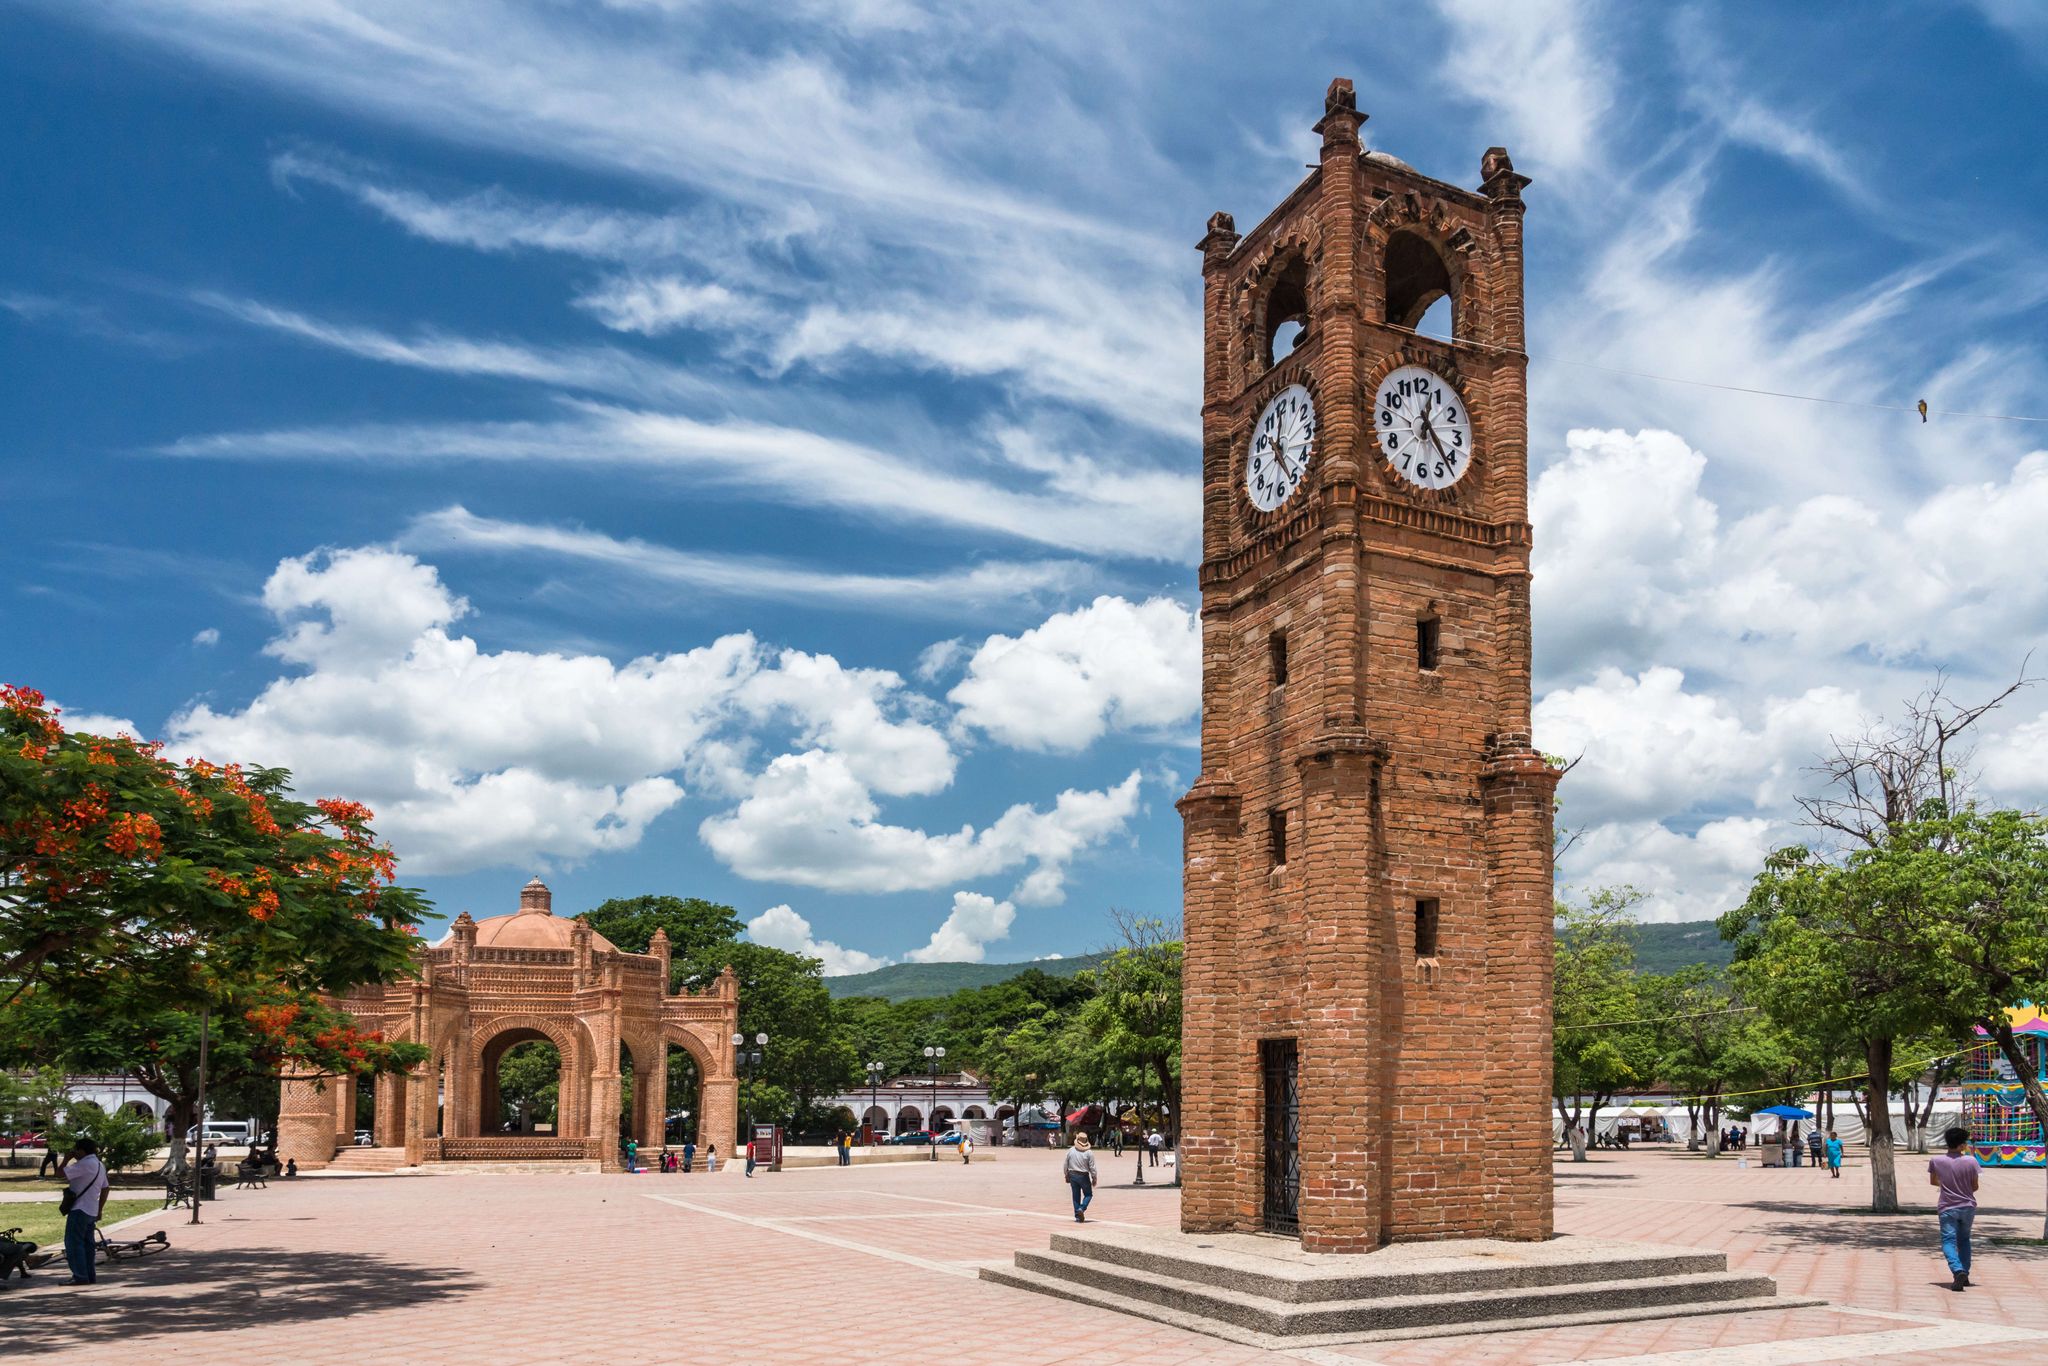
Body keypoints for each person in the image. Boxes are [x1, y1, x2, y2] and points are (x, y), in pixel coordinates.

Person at [54, 1137, 109, 1287]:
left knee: (73, 1243)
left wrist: (66, 1159)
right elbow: (105, 1188)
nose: (74, 1152)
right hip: (91, 1210)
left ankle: (79, 1276)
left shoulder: (84, 1164)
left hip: (79, 1209)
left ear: (81, 1150)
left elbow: (59, 1174)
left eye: (76, 1150)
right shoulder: (99, 1165)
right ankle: (89, 1275)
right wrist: (100, 1209)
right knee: (88, 1245)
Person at [1930, 1125, 1980, 1290]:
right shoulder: (1971, 1161)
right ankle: (1964, 1272)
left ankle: (1957, 1270)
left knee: (1948, 1241)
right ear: (1961, 1145)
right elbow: (1975, 1186)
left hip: (1947, 1207)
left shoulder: (1936, 1161)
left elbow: (1933, 1181)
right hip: (1967, 1206)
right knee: (1964, 1240)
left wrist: (1946, 1185)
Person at [1065, 1133, 1099, 1222]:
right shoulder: (1089, 1152)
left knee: (1076, 1196)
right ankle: (1082, 1208)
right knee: (1088, 1194)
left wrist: (1066, 1174)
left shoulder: (1071, 1150)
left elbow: (1065, 1164)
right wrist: (1094, 1177)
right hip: (1083, 1176)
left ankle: (1077, 1215)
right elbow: (1092, 1167)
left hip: (1072, 1174)